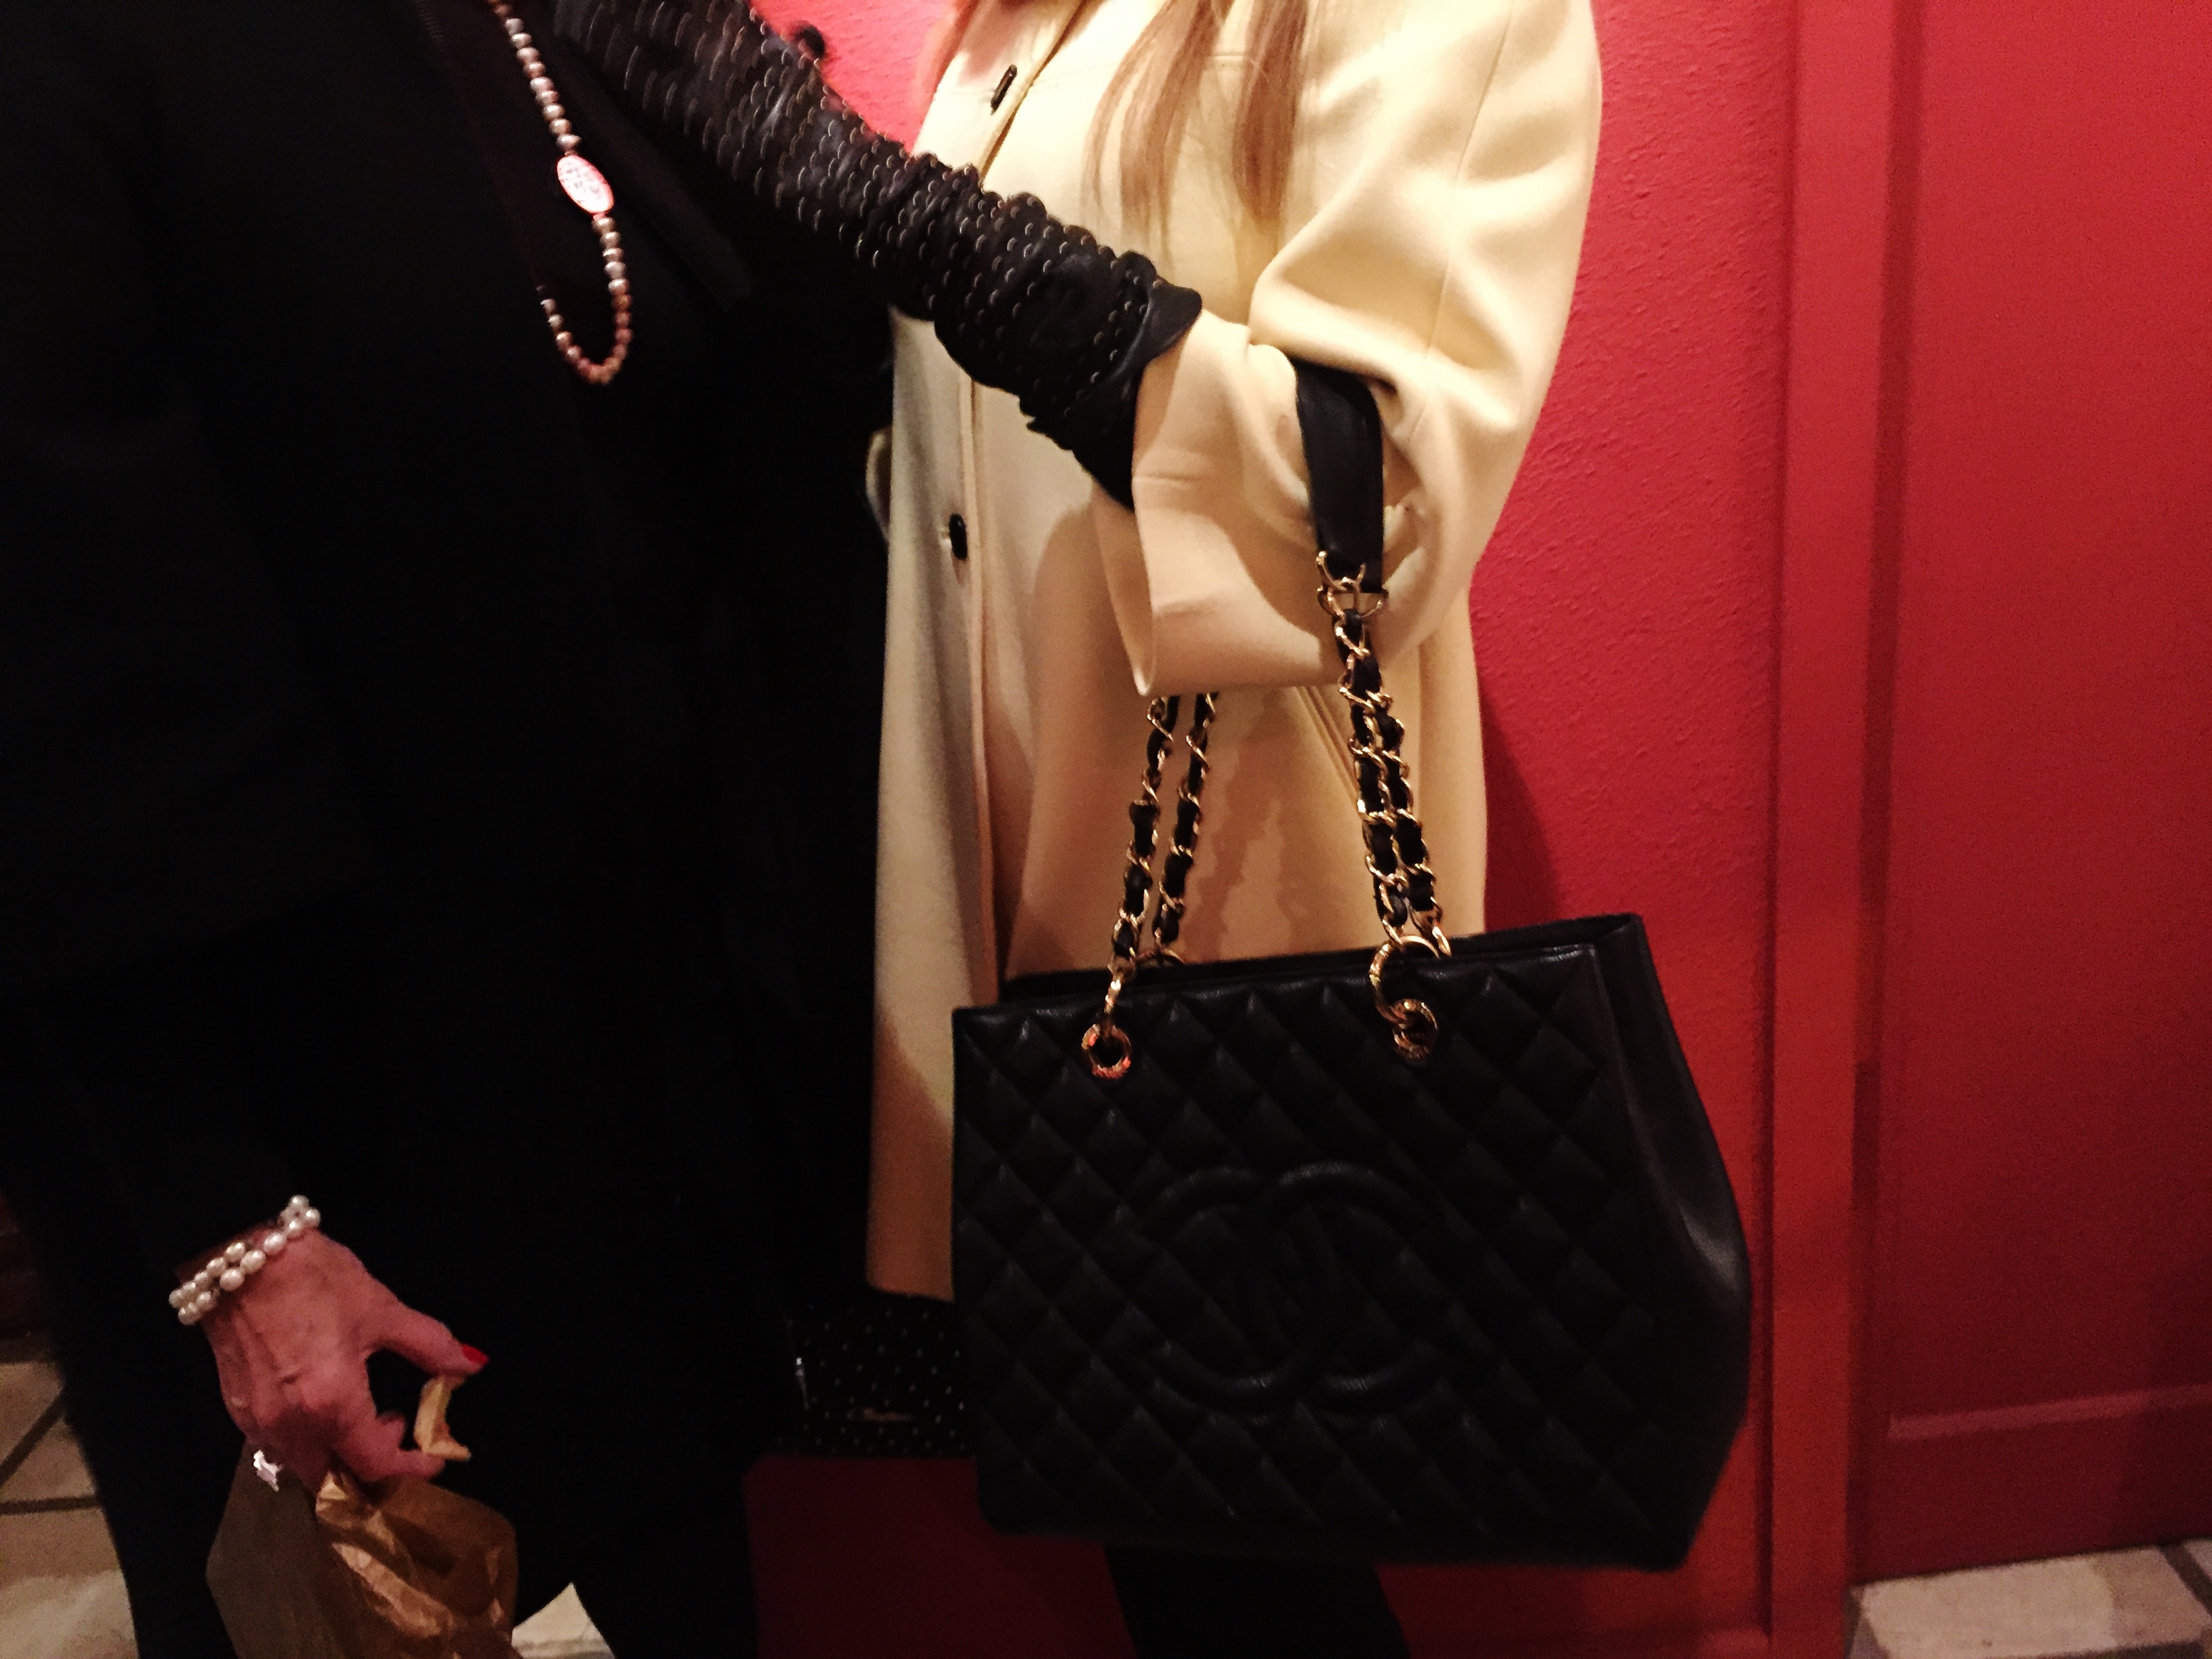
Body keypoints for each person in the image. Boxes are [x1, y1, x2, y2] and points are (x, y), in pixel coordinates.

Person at [571, 0, 1599, 1650]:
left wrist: (917, 229)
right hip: (1020, 895)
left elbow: (1377, 496)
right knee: (1160, 1502)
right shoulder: (1018, 21)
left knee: (1248, 1539)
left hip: (1241, 916)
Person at [0, 0, 889, 1652]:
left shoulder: (555, 24)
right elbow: (50, 682)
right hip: (312, 1154)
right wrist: (230, 1232)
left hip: (628, 1102)